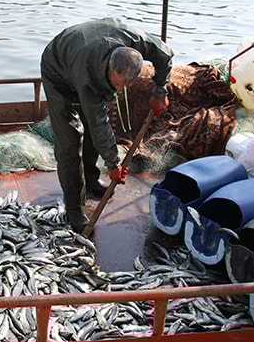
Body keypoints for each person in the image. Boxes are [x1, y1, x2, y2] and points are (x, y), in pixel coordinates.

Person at [40, 18, 173, 232]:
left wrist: (160, 91)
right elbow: (98, 121)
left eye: (123, 86)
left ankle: (91, 180)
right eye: (115, 84)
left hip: (83, 56)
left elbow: (165, 55)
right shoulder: (88, 74)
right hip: (58, 68)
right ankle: (74, 208)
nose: (118, 90)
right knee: (69, 142)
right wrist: (113, 162)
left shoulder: (137, 40)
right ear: (108, 68)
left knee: (93, 136)